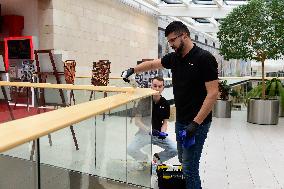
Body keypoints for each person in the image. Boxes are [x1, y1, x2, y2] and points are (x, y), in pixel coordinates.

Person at [122, 21, 219, 189]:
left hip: (197, 123)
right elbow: (153, 64)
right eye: (169, 41)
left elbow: (213, 93)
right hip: (182, 121)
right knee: (183, 159)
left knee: (189, 168)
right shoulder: (175, 58)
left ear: (184, 36)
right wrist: (133, 70)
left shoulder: (204, 58)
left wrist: (195, 123)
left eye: (173, 40)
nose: (171, 45)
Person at [127, 76, 178, 169]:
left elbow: (165, 122)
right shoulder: (143, 101)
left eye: (159, 86)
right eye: (155, 86)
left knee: (175, 149)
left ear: (163, 88)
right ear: (151, 86)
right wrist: (149, 130)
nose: (157, 88)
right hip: (143, 134)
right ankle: (144, 159)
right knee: (130, 149)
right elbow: (137, 121)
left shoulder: (165, 104)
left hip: (157, 135)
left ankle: (156, 159)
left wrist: (162, 132)